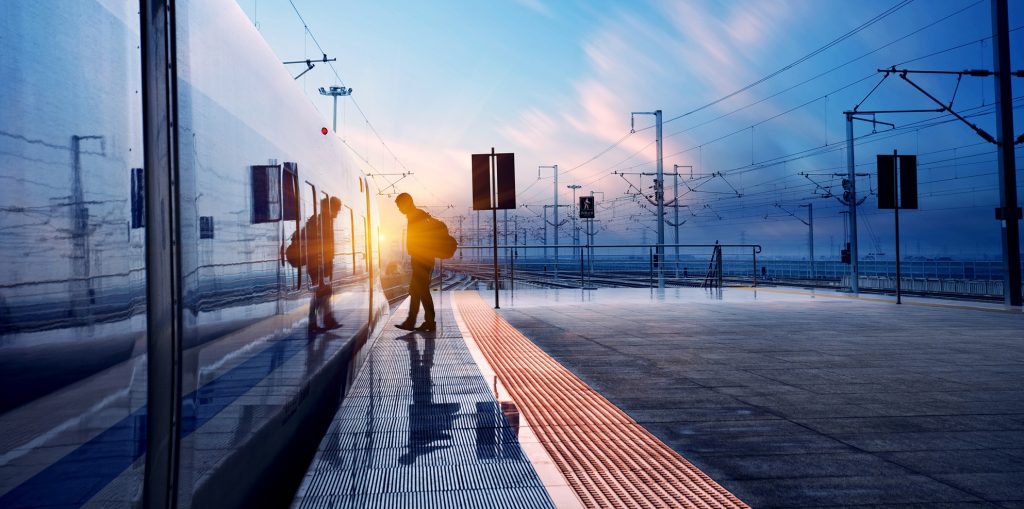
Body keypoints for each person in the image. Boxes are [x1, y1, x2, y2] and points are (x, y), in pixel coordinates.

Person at [395, 193, 436, 332]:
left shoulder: (416, 216)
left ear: (407, 203)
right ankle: (412, 322)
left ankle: (427, 322)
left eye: (400, 206)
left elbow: (421, 239)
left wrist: (416, 255)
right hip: (422, 258)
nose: (399, 209)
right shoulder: (417, 215)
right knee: (416, 290)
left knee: (421, 290)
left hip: (422, 259)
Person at [306, 196, 342, 334]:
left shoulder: (322, 219)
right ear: (331, 207)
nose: (338, 212)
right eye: (337, 209)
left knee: (320, 293)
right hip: (319, 263)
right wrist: (324, 264)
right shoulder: (323, 220)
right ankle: (324, 321)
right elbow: (321, 244)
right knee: (323, 292)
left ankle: (317, 322)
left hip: (320, 262)